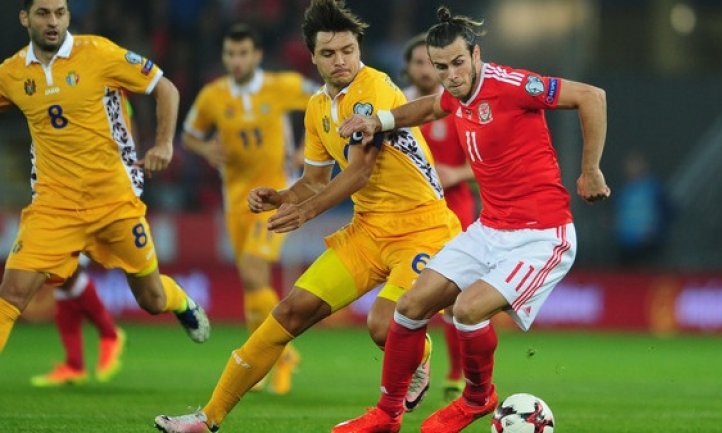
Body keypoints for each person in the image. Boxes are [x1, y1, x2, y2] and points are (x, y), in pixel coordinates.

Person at [153, 1, 460, 431]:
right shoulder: (317, 107)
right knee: (290, 312)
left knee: (383, 325)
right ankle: (207, 418)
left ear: (359, 50)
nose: (341, 61)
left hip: (423, 228)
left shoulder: (373, 88)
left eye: (348, 51)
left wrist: (307, 213)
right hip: (368, 231)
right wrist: (281, 196)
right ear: (312, 57)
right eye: (330, 54)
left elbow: (359, 170)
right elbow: (314, 180)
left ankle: (420, 353)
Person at [334, 6, 610, 433]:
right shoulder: (455, 92)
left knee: (466, 310)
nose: (451, 74)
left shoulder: (514, 85)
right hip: (490, 229)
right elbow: (427, 109)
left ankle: (478, 398)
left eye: (458, 63)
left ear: (476, 54)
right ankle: (387, 415)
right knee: (408, 308)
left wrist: (591, 170)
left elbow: (592, 96)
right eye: (441, 66)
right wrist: (379, 120)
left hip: (541, 236)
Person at [0, 0, 210, 355]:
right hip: (54, 206)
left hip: (113, 200)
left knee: (151, 299)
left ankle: (179, 300)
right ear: (25, 18)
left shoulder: (97, 52)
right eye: (43, 13)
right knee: (11, 295)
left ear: (68, 15)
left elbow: (165, 88)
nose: (53, 21)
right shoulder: (12, 73)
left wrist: (163, 144)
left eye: (60, 12)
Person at [182, 23, 316, 394]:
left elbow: (323, 99)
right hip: (235, 201)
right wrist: (205, 148)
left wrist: (308, 146)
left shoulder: (282, 86)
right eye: (230, 54)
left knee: (256, 272)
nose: (236, 60)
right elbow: (189, 134)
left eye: (243, 53)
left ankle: (279, 353)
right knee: (249, 281)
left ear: (256, 56)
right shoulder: (212, 95)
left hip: (277, 194)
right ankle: (264, 359)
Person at [402, 32, 477, 402]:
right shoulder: (397, 107)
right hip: (409, 213)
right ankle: (414, 368)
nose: (426, 70)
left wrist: (456, 173)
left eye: (431, 63)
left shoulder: (458, 103)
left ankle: (456, 372)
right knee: (409, 293)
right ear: (408, 68)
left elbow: (483, 163)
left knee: (451, 294)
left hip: (455, 208)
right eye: (418, 62)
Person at [30, 255, 125, 386]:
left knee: (94, 312)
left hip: (76, 268)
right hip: (64, 291)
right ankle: (74, 367)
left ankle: (110, 336)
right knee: (68, 328)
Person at [614, 150, 672, 267]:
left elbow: (667, 212)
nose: (632, 168)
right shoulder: (623, 190)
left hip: (648, 244)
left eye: (635, 164)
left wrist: (657, 232)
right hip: (625, 243)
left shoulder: (653, 188)